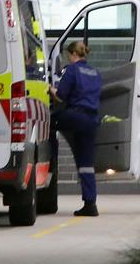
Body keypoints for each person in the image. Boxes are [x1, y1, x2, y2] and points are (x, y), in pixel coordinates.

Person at [48, 41, 102, 217]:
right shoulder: (94, 72)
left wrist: (50, 89)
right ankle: (90, 203)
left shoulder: (72, 70)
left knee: (48, 122)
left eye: (68, 56)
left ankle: (49, 159)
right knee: (86, 163)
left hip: (75, 116)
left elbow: (61, 96)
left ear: (72, 54)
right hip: (91, 120)